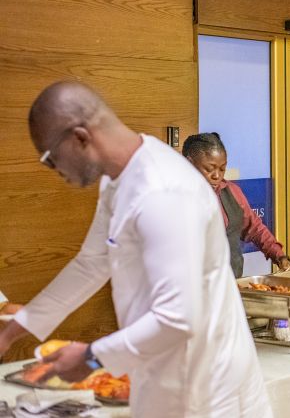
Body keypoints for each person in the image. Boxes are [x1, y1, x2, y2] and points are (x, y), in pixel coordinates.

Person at [0, 81, 272, 418]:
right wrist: (18, 327)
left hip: (208, 389)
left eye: (49, 159)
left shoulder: (163, 191)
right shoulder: (118, 178)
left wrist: (90, 358)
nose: (55, 171)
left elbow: (178, 318)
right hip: (163, 376)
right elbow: (91, 263)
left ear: (80, 138)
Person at [182, 132, 290, 277]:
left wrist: (278, 254)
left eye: (222, 169)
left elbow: (254, 228)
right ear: (189, 163)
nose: (217, 176)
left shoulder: (232, 191)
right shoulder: (174, 199)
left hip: (232, 282)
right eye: (209, 169)